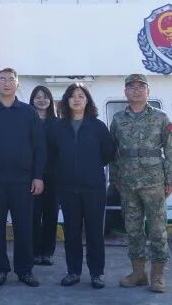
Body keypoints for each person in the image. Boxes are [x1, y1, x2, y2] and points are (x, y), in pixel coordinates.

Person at [0, 68, 46, 288]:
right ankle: (0, 269)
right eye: (2, 79)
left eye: (10, 79)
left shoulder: (28, 112)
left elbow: (39, 147)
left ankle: (25, 270)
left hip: (23, 181)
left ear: (17, 83)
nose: (6, 83)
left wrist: (38, 177)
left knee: (24, 227)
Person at [110, 74, 172, 293]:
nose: (137, 90)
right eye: (132, 87)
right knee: (133, 230)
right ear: (125, 92)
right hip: (127, 183)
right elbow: (113, 151)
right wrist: (114, 178)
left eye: (141, 87)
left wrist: (171, 179)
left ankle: (158, 275)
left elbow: (170, 150)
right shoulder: (118, 119)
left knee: (158, 230)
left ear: (148, 91)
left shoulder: (161, 117)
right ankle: (138, 273)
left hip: (154, 182)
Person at [49, 83, 115, 289]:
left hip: (93, 187)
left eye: (81, 96)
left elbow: (108, 152)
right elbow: (52, 155)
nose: (76, 99)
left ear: (87, 101)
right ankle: (73, 272)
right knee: (71, 232)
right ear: (66, 101)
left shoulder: (98, 126)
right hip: (68, 188)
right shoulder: (58, 127)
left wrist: (90, 166)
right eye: (72, 96)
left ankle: (97, 273)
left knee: (95, 233)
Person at [29, 85, 59, 267]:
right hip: (31, 175)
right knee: (33, 215)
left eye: (45, 96)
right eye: (38, 97)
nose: (42, 100)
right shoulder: (26, 121)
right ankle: (34, 252)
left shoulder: (58, 123)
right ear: (32, 100)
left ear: (50, 100)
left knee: (51, 215)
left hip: (53, 176)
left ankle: (47, 252)